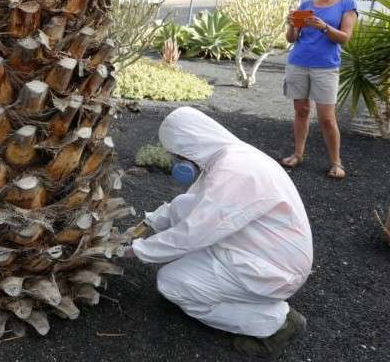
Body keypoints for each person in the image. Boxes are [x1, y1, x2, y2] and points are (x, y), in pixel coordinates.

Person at [124, 107, 313, 359]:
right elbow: (189, 204)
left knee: (171, 283)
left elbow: (193, 233)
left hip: (271, 270)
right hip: (263, 252)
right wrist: (150, 223)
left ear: (191, 143)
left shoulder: (234, 172)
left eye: (180, 153)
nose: (180, 160)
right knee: (186, 230)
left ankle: (276, 322)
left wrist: (136, 250)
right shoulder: (232, 158)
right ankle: (249, 300)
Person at [281, 0, 358, 179]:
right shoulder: (306, 5)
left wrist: (324, 27)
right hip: (298, 62)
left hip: (325, 67)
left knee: (326, 118)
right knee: (301, 111)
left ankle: (336, 162)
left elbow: (344, 38)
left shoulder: (347, 4)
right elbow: (291, 39)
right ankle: (298, 154)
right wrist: (292, 24)